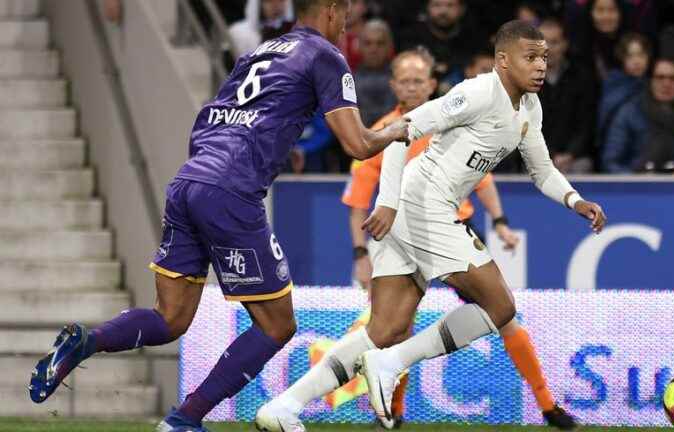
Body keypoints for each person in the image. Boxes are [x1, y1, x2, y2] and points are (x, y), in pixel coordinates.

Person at [27, 1, 408, 432]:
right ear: (333, 11)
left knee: (170, 318)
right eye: (345, 15)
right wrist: (400, 129)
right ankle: (184, 418)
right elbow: (356, 144)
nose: (347, 27)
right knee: (278, 324)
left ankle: (87, 341)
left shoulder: (260, 52)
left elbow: (205, 121)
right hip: (231, 191)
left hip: (190, 179)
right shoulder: (325, 56)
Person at [256, 20, 606, 431]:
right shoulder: (477, 93)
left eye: (544, 57)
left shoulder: (529, 108)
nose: (541, 66)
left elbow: (543, 170)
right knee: (500, 306)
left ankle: (283, 406)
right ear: (503, 60)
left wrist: (574, 200)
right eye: (530, 58)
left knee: (385, 329)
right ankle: (391, 364)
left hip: (416, 209)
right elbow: (400, 132)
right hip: (424, 204)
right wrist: (386, 203)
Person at [341, 48, 577, 430]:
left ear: (431, 84)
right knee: (397, 327)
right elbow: (356, 203)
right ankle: (392, 414)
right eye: (406, 80)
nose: (413, 87)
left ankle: (548, 406)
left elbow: (483, 179)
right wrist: (359, 254)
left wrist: (500, 221)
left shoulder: (453, 115)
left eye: (420, 80)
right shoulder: (381, 135)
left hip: (456, 229)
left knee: (503, 315)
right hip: (402, 237)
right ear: (393, 85)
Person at [602, 58, 674, 174]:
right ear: (650, 81)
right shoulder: (629, 112)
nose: (666, 84)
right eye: (660, 77)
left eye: (673, 78)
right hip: (637, 184)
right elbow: (611, 161)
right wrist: (634, 179)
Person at [538, 17, 597, 173]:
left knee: (582, 168)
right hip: (537, 157)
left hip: (576, 159)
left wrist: (570, 154)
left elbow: (587, 123)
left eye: (554, 42)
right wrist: (549, 155)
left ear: (565, 44)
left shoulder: (582, 77)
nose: (548, 48)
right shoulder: (523, 80)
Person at [596, 32, 652, 148]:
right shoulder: (613, 83)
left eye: (641, 55)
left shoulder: (652, 84)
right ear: (622, 58)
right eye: (630, 56)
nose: (636, 61)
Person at [354, 19, 397, 127]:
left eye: (380, 43)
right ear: (359, 46)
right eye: (368, 43)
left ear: (390, 46)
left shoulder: (403, 81)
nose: (373, 49)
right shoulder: (347, 82)